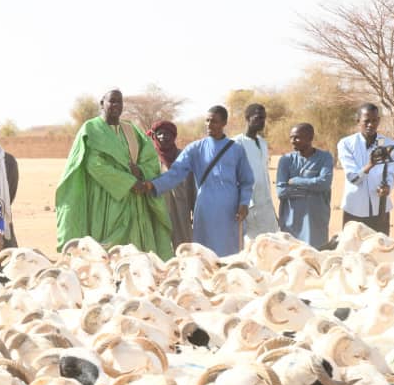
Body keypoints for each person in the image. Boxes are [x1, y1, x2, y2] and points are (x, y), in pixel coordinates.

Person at [56, 90, 173, 259]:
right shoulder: (92, 129)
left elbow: (149, 157)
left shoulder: (131, 129)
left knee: (138, 253)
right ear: (102, 103)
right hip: (106, 200)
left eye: (120, 102)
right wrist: (129, 182)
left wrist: (140, 171)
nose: (116, 105)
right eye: (112, 101)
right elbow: (94, 164)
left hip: (135, 200)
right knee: (108, 252)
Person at [137, 105, 254, 257]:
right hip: (205, 208)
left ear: (224, 123)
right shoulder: (195, 148)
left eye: (214, 121)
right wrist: (153, 184)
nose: (209, 125)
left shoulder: (236, 149)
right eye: (207, 121)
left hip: (230, 210)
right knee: (204, 254)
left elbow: (247, 180)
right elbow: (175, 173)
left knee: (229, 254)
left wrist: (244, 203)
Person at [338, 103, 394, 234]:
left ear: (379, 120)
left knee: (379, 249)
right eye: (366, 121)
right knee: (352, 251)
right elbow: (352, 178)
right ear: (358, 121)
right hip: (354, 208)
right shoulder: (346, 144)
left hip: (381, 208)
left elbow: (391, 173)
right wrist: (370, 165)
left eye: (374, 120)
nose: (370, 124)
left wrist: (387, 187)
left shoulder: (389, 144)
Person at [276, 123, 333, 248]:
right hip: (291, 222)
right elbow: (281, 191)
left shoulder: (325, 158)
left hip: (316, 221)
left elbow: (324, 184)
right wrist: (311, 189)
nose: (293, 141)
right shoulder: (286, 160)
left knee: (316, 259)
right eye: (291, 137)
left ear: (310, 138)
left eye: (297, 137)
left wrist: (296, 181)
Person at [233, 104, 278, 241]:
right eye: (258, 118)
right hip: (248, 204)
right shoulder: (236, 143)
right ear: (247, 118)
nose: (262, 122)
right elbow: (234, 176)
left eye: (264, 118)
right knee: (251, 244)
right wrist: (243, 203)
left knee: (271, 242)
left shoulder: (263, 143)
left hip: (266, 201)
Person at [147, 120, 194, 249]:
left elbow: (192, 186)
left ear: (173, 136)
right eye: (159, 134)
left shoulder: (184, 157)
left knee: (184, 247)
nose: (163, 137)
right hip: (158, 209)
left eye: (167, 134)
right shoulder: (149, 157)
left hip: (182, 210)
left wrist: (194, 211)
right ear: (154, 136)